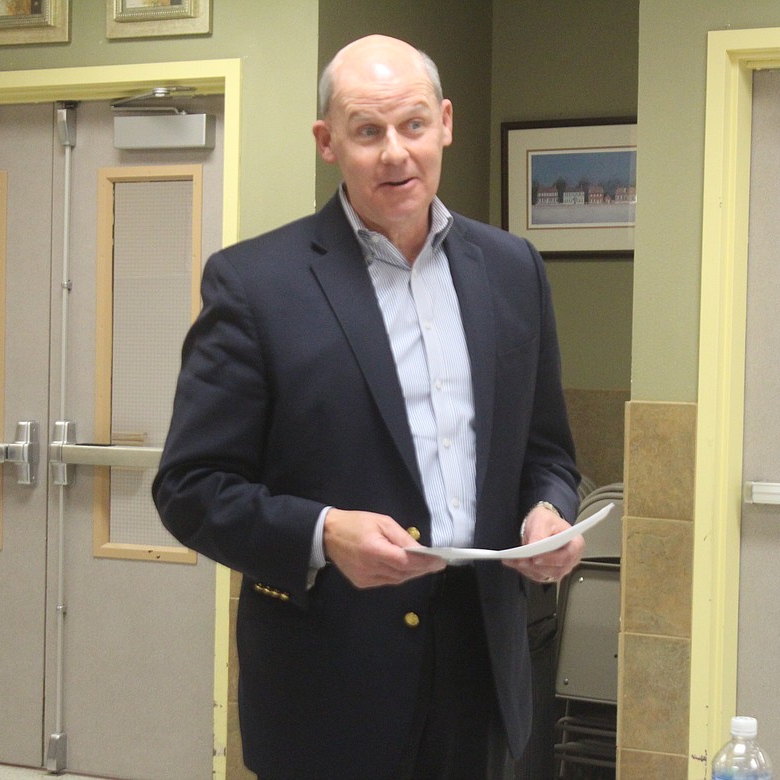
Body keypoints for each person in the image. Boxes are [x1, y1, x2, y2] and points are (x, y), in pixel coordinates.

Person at [152, 34, 582, 780]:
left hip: (481, 660)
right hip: (329, 677)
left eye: (413, 125)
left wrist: (550, 510)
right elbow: (190, 490)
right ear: (328, 142)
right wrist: (323, 533)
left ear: (445, 123)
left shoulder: (513, 271)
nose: (395, 153)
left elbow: (546, 451)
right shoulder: (256, 285)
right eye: (367, 131)